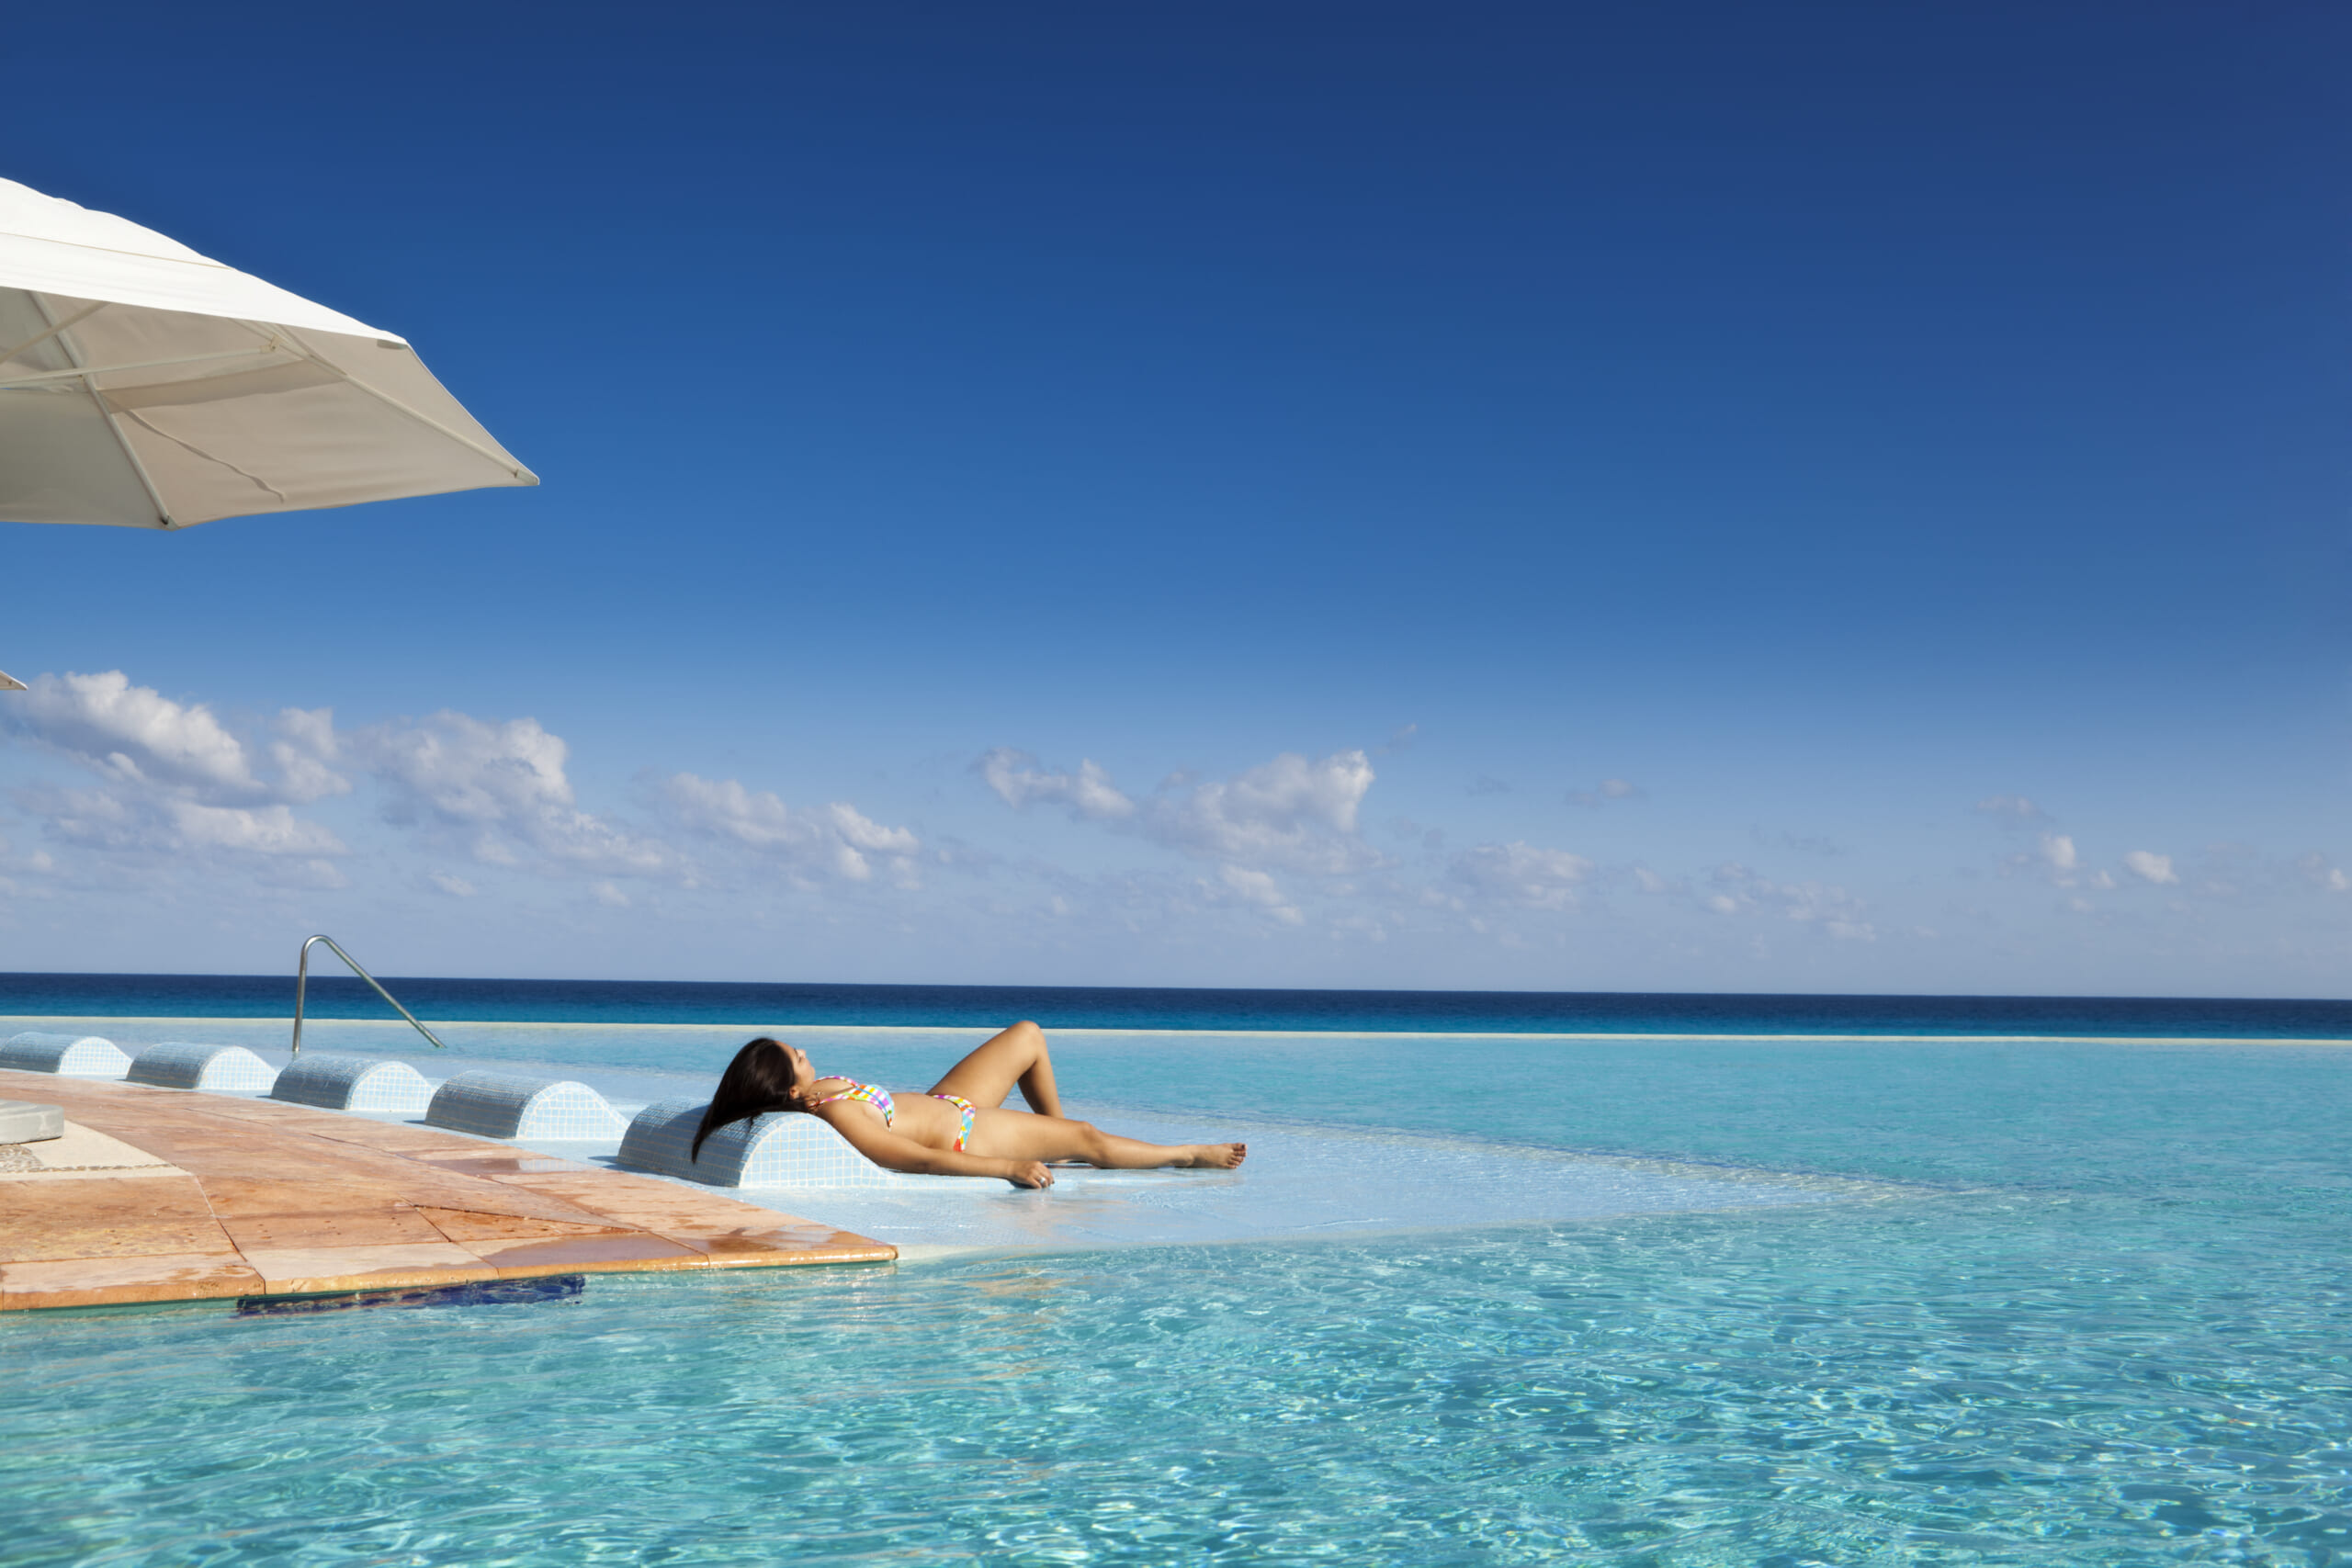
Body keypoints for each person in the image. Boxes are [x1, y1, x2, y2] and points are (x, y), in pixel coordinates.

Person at [690, 1021, 1247, 1189]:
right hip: (967, 1134)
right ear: (790, 1090)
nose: (807, 1053)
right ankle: (1189, 1154)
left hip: (947, 1101)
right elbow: (908, 1157)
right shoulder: (833, 1112)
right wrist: (1006, 1167)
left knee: (1027, 1035)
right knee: (1088, 1139)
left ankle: (1049, 1131)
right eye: (798, 1057)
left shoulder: (821, 1091)